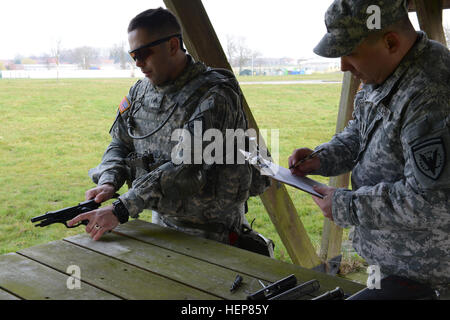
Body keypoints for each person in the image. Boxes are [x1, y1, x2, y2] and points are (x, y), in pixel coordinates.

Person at [68, 7, 272, 256]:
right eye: (133, 55)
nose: (138, 63)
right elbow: (120, 142)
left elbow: (185, 166)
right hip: (160, 225)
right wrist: (109, 179)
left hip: (213, 234)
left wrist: (121, 209)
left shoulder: (216, 95)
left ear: (173, 45)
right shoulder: (140, 93)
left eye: (144, 53)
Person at [289, 0, 449, 297]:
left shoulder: (432, 91)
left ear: (390, 42)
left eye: (350, 54)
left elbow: (433, 201)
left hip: (431, 279)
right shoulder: (385, 72)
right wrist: (319, 159)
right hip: (392, 266)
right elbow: (358, 134)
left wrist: (345, 205)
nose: (343, 66)